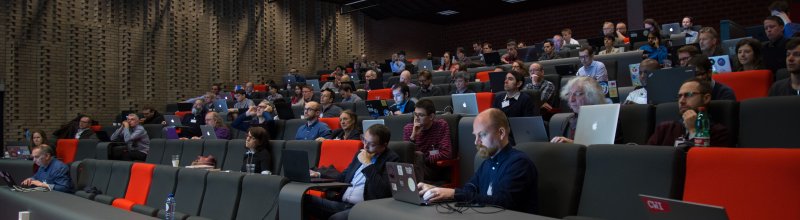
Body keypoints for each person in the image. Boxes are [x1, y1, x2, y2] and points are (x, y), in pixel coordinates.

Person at [417, 108, 538, 214]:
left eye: (482, 135)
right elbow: (469, 190)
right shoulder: (487, 162)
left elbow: (502, 202)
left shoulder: (519, 163)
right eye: (475, 136)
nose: (476, 142)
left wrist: (452, 193)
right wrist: (437, 190)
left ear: (501, 133)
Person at [305, 124, 400, 220]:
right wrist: (319, 174)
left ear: (384, 145)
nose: (366, 146)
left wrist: (368, 164)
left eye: (372, 144)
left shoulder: (392, 159)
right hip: (342, 204)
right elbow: (343, 177)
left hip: (364, 209)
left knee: (336, 218)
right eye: (364, 140)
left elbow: (383, 192)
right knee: (302, 200)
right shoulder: (360, 153)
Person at [647, 78, 734, 148]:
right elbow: (648, 158)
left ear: (706, 98)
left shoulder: (719, 132)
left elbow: (706, 163)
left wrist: (694, 131)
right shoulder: (665, 128)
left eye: (688, 95)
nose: (681, 101)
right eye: (679, 96)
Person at [403, 99, 453, 181]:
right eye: (415, 115)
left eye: (421, 115)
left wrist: (423, 159)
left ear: (431, 117)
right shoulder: (408, 129)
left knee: (417, 157)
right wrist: (413, 137)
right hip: (413, 168)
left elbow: (446, 153)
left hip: (433, 169)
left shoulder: (441, 126)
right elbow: (406, 157)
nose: (417, 118)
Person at [550, 77, 609, 143]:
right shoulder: (569, 120)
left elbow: (603, 150)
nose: (571, 99)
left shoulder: (607, 121)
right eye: (569, 94)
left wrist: (572, 144)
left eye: (578, 94)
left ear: (593, 96)